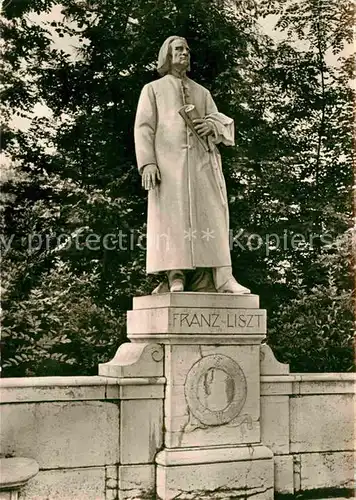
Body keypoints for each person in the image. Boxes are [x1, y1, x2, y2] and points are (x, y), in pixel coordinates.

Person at [134, 35, 250, 294]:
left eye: (186, 49)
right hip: (168, 168)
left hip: (201, 165)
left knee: (211, 217)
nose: (184, 53)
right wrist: (148, 163)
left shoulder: (202, 91)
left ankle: (220, 277)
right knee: (172, 220)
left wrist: (211, 125)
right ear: (167, 55)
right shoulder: (153, 90)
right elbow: (143, 128)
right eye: (178, 49)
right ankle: (176, 275)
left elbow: (219, 122)